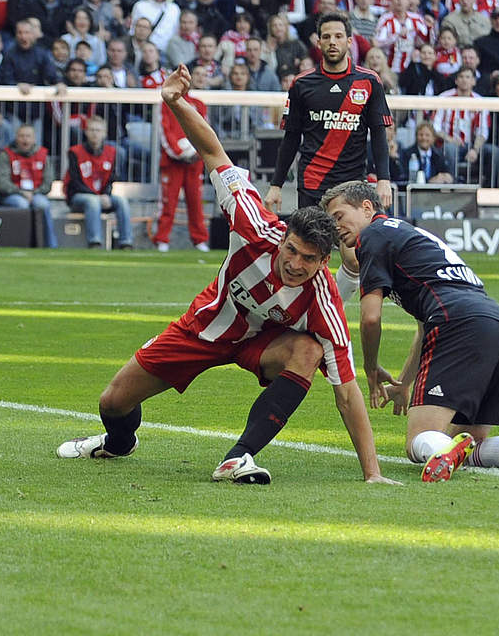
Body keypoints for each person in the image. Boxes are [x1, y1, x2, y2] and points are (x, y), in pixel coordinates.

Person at [58, 65, 395, 486]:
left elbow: (346, 391)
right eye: (291, 250)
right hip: (205, 327)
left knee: (309, 352)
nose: (294, 264)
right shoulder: (254, 224)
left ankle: (238, 458)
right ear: (282, 236)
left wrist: (373, 474)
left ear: (322, 261)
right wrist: (177, 102)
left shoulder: (323, 297)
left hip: (264, 345)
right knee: (113, 402)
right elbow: (215, 154)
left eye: (308, 260)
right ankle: (119, 442)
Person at [321, 181, 499, 482]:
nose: (335, 227)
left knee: (420, 439)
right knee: (472, 444)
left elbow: (370, 318)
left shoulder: (373, 235)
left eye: (338, 216)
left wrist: (370, 368)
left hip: (458, 323)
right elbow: (421, 327)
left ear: (366, 207)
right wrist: (404, 384)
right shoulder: (407, 234)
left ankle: (440, 451)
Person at [265, 11, 395, 300]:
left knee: (353, 259)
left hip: (350, 188)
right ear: (318, 42)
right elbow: (290, 139)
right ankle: (294, 314)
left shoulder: (369, 82)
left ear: (349, 41)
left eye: (338, 36)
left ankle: (333, 309)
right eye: (327, 37)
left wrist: (384, 179)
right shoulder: (302, 84)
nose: (332, 42)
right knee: (303, 257)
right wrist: (275, 185)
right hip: (312, 183)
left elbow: (379, 135)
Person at [153, 65, 209, 252]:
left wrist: (197, 153)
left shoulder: (199, 104)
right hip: (173, 161)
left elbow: (204, 132)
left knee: (196, 201)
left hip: (193, 161)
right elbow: (164, 131)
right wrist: (179, 153)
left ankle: (199, 239)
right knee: (168, 201)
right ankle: (162, 239)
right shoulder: (166, 103)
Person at [64, 116, 133, 249]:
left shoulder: (111, 152)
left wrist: (107, 194)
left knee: (121, 201)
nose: (95, 133)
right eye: (92, 130)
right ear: (86, 132)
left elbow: (110, 179)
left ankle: (126, 242)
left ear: (104, 133)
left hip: (101, 196)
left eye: (98, 130)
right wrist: (97, 196)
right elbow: (75, 181)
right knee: (92, 201)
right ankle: (95, 242)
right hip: (78, 197)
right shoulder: (75, 152)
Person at [0, 124, 57, 247]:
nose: (25, 139)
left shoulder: (43, 155)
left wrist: (33, 193)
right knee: (21, 203)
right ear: (16, 138)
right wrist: (21, 192)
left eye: (28, 136)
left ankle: (51, 244)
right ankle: (22, 242)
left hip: (36, 193)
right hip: (12, 194)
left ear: (34, 139)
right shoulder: (5, 154)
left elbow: (48, 183)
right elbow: (2, 182)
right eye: (22, 136)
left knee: (42, 204)